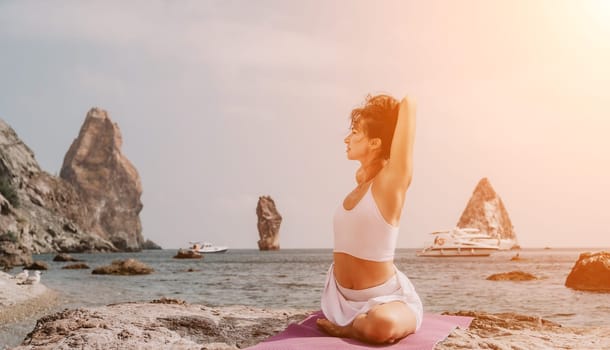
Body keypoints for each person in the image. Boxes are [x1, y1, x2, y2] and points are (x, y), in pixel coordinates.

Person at [316, 94, 423, 344]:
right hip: (340, 301)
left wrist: (383, 111)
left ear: (375, 142)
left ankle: (353, 329)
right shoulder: (360, 186)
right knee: (375, 323)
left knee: (381, 325)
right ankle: (354, 322)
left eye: (354, 132)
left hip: (385, 300)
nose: (346, 139)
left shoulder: (391, 183)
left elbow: (410, 104)